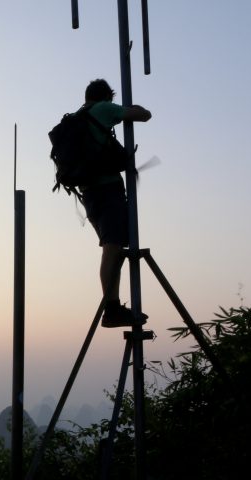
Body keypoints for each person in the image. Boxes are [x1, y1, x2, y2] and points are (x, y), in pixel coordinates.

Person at [78, 78, 152, 328]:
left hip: (88, 194)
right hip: (107, 189)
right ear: (106, 97)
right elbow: (144, 115)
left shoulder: (79, 117)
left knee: (115, 248)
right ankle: (111, 309)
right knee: (112, 249)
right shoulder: (103, 109)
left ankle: (114, 306)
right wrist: (130, 108)